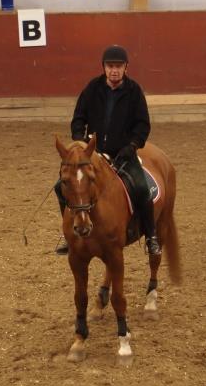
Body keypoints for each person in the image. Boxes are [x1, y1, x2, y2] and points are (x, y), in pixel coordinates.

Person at [54, 44, 161, 257]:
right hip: (93, 155)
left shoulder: (134, 91)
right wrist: (81, 143)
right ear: (104, 67)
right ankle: (70, 233)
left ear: (126, 68)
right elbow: (78, 118)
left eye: (118, 66)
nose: (114, 70)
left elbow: (142, 125)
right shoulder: (92, 88)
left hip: (124, 154)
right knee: (61, 187)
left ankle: (150, 236)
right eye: (110, 66)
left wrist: (131, 146)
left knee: (141, 187)